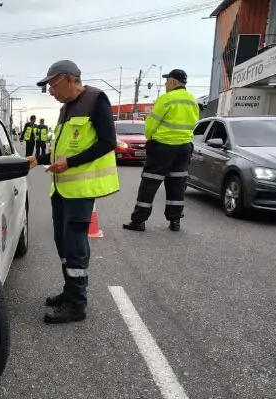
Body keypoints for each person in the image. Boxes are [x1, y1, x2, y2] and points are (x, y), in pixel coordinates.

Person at [27, 60, 120, 324]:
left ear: (69, 79)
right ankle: (70, 292)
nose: (50, 92)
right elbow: (63, 148)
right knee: (62, 242)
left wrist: (70, 163)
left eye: (52, 85)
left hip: (80, 190)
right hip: (62, 190)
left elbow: (107, 142)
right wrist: (40, 159)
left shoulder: (95, 100)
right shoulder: (66, 108)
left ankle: (77, 304)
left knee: (75, 245)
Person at [122, 69, 200, 232]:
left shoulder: (166, 99)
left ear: (173, 82)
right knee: (177, 185)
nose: (165, 84)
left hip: (163, 147)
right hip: (183, 148)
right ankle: (175, 221)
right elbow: (194, 123)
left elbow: (152, 123)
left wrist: (150, 139)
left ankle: (139, 221)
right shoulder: (192, 100)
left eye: (167, 80)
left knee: (149, 183)